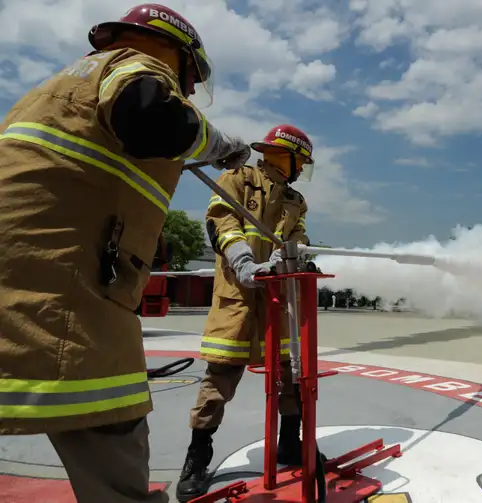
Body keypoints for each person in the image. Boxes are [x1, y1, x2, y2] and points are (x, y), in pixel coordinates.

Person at [0, 3, 251, 503]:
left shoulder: (50, 90)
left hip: (27, 266)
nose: (193, 90)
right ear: (176, 53)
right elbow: (148, 114)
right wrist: (217, 142)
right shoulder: (137, 64)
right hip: (61, 284)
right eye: (192, 77)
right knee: (111, 416)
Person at [176, 124, 315, 501]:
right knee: (220, 375)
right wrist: (242, 263)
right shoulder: (236, 179)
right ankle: (197, 456)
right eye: (299, 162)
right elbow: (221, 222)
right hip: (238, 294)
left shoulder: (295, 200)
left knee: (291, 371)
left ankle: (290, 443)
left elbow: (298, 236)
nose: (301, 170)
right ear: (282, 155)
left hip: (278, 297)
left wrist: (286, 255)